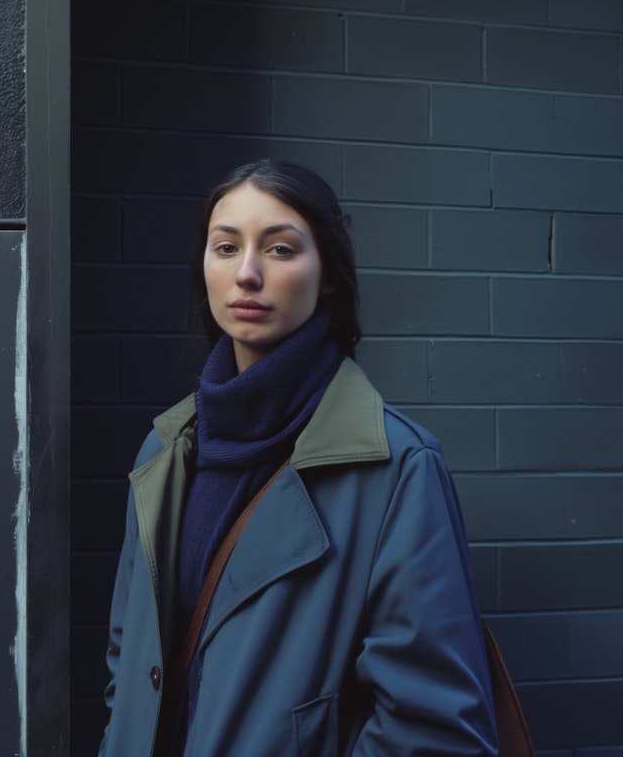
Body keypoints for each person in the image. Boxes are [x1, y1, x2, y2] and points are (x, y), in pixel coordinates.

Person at [97, 160, 498, 756]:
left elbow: (432, 731)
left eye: (281, 250)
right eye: (226, 247)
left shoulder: (396, 468)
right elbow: (128, 662)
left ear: (329, 275)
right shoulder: (166, 449)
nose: (248, 273)